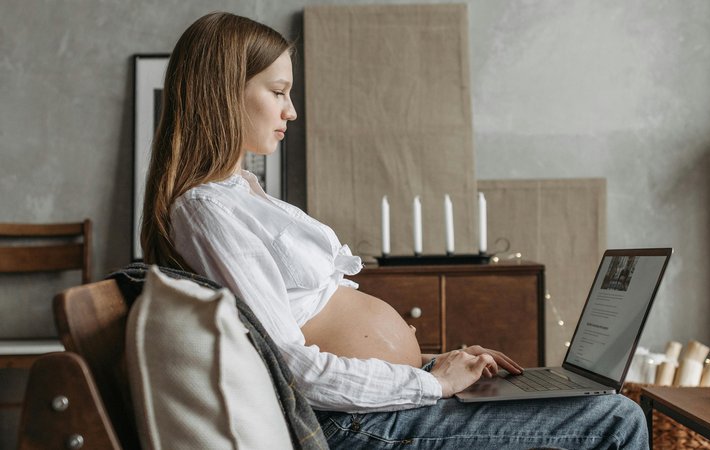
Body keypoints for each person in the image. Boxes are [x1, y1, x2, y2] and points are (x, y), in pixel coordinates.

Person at [141, 12, 648, 449]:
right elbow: (291, 366)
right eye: (277, 92)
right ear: (224, 93)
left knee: (593, 398)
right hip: (353, 426)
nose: (290, 110)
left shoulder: (241, 191)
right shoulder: (206, 210)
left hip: (385, 404)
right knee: (615, 418)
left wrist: (438, 365)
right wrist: (432, 385)